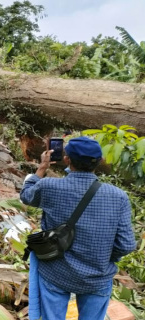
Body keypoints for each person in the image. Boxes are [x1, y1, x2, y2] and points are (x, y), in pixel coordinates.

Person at [20, 136, 136, 320]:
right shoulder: (118, 196)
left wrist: (42, 167)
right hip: (97, 276)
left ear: (67, 159)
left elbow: (26, 196)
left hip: (55, 270)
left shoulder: (50, 186)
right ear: (99, 162)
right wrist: (103, 258)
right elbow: (126, 245)